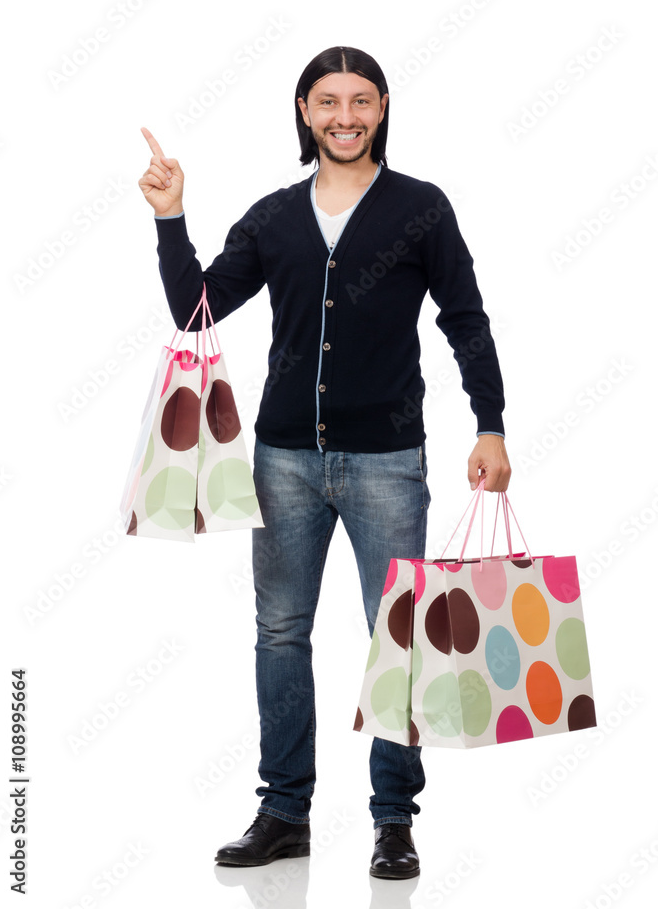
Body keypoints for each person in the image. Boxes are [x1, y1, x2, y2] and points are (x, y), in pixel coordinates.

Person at [138, 45, 511, 881]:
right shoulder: (273, 216)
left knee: (399, 640)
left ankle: (392, 821)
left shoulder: (421, 208)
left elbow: (467, 318)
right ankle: (284, 813)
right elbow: (196, 308)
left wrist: (489, 423)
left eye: (362, 101)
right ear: (304, 111)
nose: (346, 116)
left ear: (382, 109)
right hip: (283, 461)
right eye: (328, 101)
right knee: (279, 631)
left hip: (387, 460)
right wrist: (171, 215)